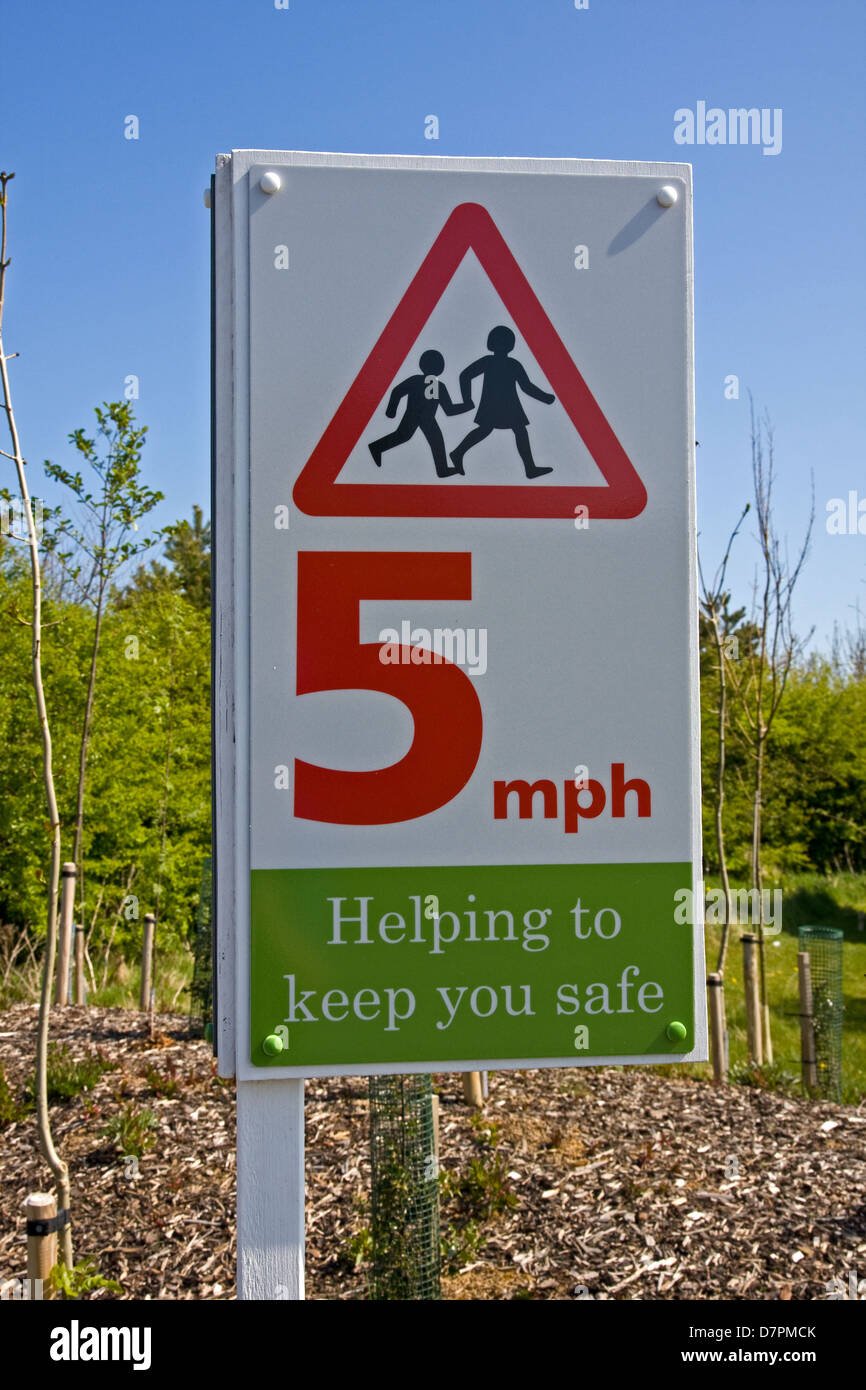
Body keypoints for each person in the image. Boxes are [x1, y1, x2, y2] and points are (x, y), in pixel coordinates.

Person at [450, 325, 555, 478]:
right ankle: (458, 452)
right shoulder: (491, 362)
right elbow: (465, 375)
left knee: (513, 430)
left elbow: (526, 387)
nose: (502, 345)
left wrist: (545, 397)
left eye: (504, 342)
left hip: (509, 405)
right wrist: (467, 400)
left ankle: (530, 468)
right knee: (493, 429)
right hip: (496, 404)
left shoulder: (513, 364)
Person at [368, 350, 471, 478]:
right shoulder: (420, 381)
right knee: (404, 436)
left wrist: (465, 407)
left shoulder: (437, 385)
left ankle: (442, 469)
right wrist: (391, 410)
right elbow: (397, 391)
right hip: (413, 415)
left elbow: (449, 410)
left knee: (435, 440)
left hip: (427, 418)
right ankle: (376, 447)